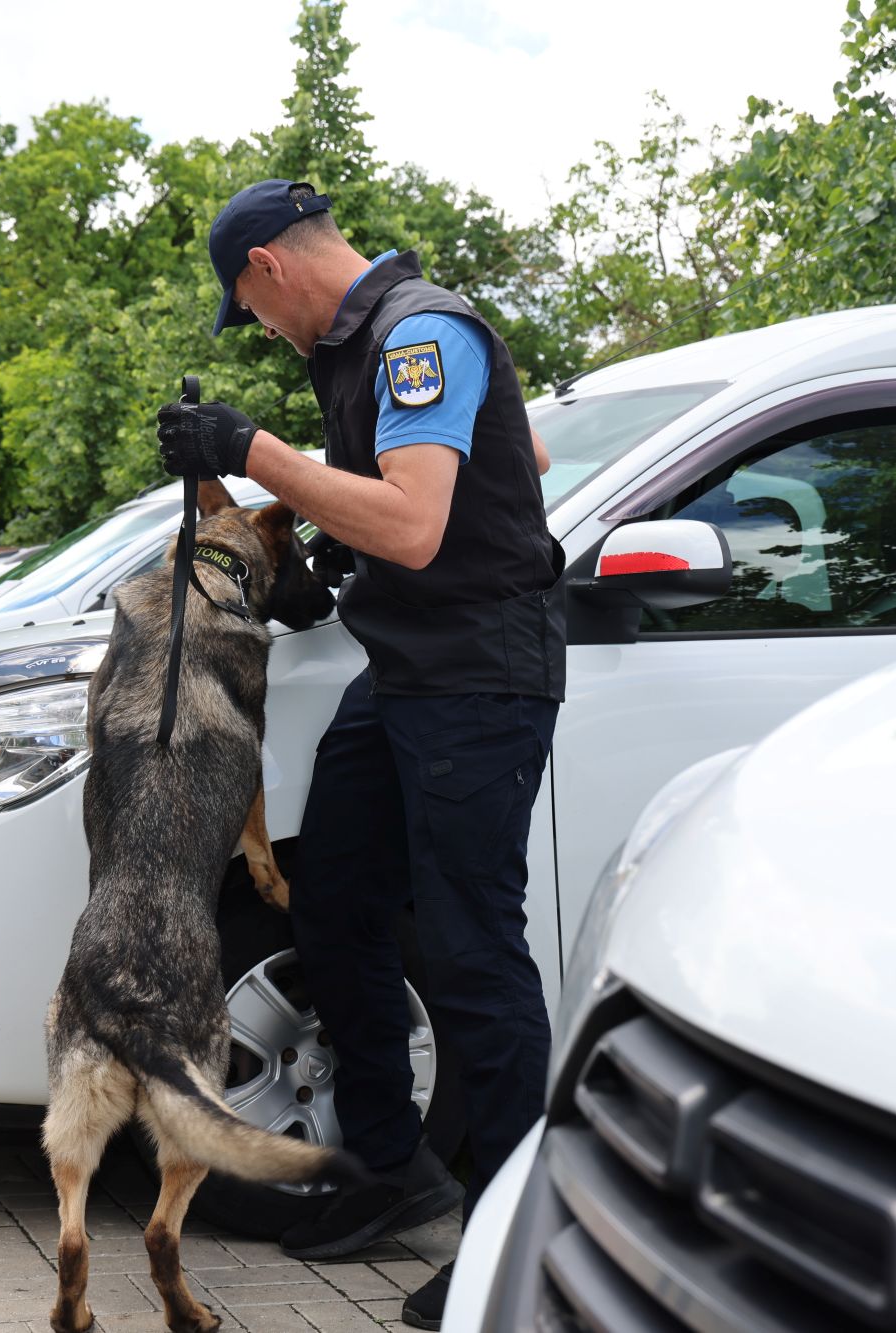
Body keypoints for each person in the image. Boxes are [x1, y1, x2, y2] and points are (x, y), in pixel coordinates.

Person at [155, 179, 567, 1330]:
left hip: (477, 674)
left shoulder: (419, 331)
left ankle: (519, 1241)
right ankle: (393, 1166)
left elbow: (416, 526)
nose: (260, 331)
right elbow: (523, 450)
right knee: (332, 895)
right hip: (405, 669)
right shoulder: (361, 352)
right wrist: (337, 544)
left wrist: (253, 450)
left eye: (249, 309)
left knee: (470, 947)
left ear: (268, 269)